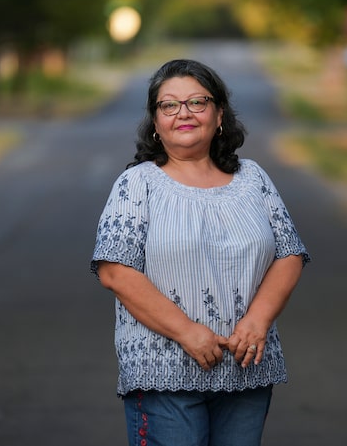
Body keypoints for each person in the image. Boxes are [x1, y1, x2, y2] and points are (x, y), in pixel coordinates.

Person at [91, 59, 310, 446]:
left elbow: (289, 255)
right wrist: (188, 333)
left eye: (198, 102)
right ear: (156, 122)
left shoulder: (254, 178)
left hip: (246, 370)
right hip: (164, 374)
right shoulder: (136, 185)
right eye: (169, 105)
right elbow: (115, 272)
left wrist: (257, 322)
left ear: (219, 113)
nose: (184, 114)